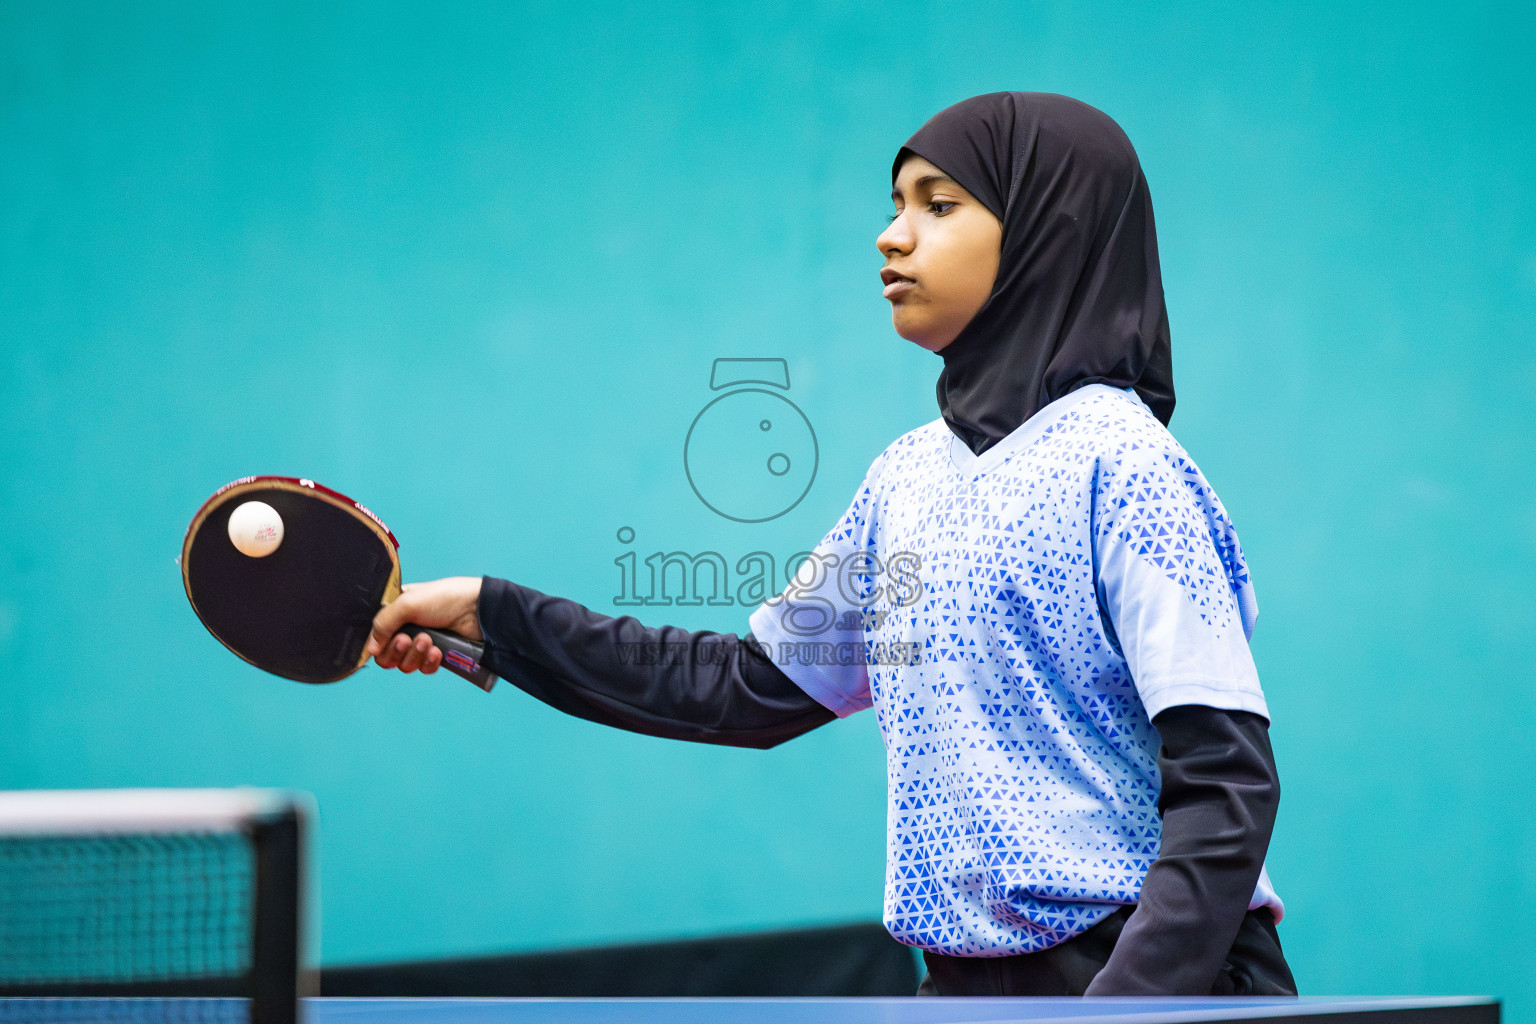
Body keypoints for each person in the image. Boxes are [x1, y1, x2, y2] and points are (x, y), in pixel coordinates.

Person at [364, 92, 1297, 997]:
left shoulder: (1125, 464)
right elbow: (746, 689)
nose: (892, 236)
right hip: (969, 987)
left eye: (940, 205)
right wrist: (495, 616)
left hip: (1155, 983)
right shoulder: (906, 479)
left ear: (1048, 229)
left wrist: (1126, 1008)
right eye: (896, 206)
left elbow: (1227, 790)